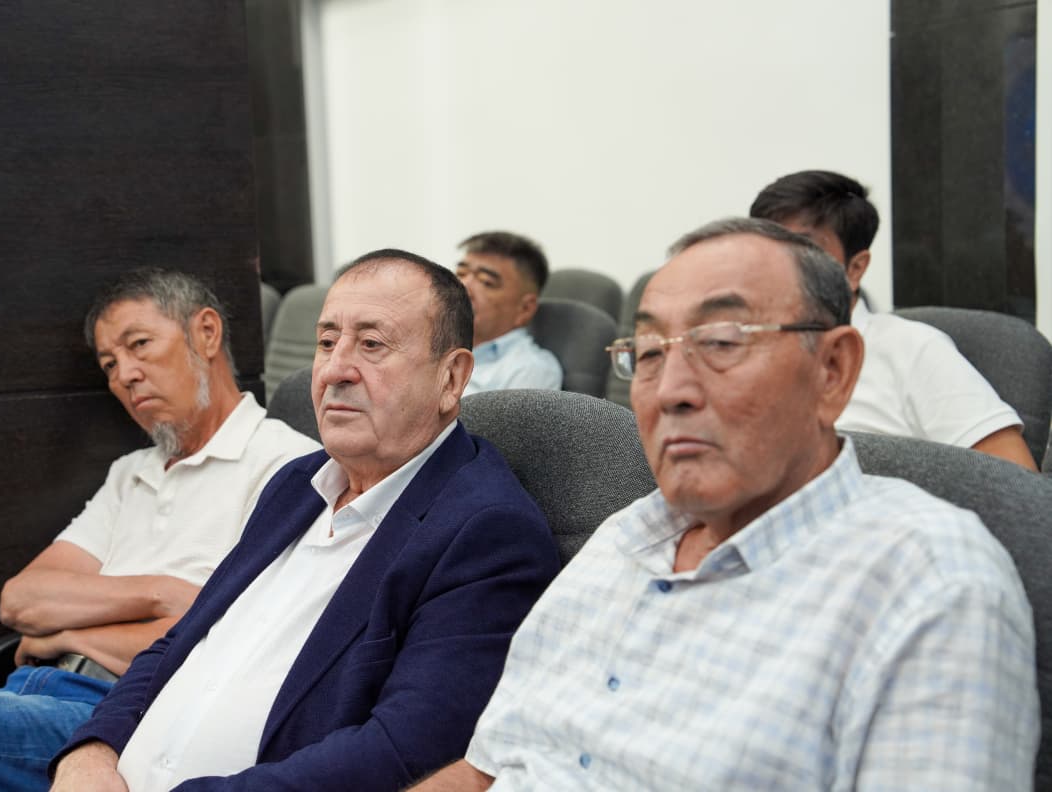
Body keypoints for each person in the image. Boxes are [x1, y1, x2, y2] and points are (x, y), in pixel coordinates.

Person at [415, 218, 1037, 790]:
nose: (671, 391)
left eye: (720, 342)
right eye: (649, 352)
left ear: (833, 371)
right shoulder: (623, 534)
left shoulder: (930, 581)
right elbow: (485, 770)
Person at [49, 250, 561, 791]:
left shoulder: (486, 532)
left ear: (451, 378)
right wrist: (91, 752)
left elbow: (404, 749)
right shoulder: (295, 483)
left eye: (371, 344)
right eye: (326, 342)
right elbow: (177, 646)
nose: (335, 369)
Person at [0, 268, 321, 791]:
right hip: (25, 692)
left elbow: (229, 645)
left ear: (206, 333)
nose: (124, 374)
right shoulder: (131, 473)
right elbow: (21, 600)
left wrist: (68, 634)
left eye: (139, 344)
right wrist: (162, 594)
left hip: (117, 719)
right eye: (109, 363)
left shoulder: (286, 464)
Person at [750, 169, 1037, 470]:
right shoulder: (742, 349)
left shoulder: (913, 349)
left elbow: (1017, 481)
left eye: (802, 251)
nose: (775, 268)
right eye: (765, 250)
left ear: (855, 269)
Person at [456, 231, 562, 394]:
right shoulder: (432, 345)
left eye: (486, 282)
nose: (462, 286)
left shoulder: (530, 369)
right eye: (460, 274)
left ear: (525, 309)